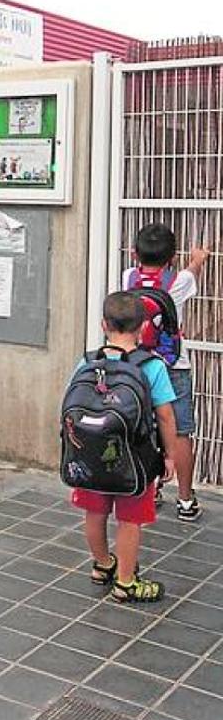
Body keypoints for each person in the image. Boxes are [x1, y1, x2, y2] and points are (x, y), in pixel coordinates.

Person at [70, 291, 177, 603]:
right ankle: (126, 582)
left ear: (104, 324)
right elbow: (166, 416)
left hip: (90, 455)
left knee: (94, 512)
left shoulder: (88, 361)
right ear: (143, 327)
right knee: (130, 520)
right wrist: (169, 455)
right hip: (136, 459)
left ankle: (103, 565)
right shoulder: (152, 366)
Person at [124, 223, 208, 522]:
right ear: (172, 257)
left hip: (138, 366)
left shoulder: (128, 278)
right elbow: (194, 268)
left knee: (143, 429)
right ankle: (185, 500)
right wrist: (197, 258)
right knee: (181, 431)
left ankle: (149, 490)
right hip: (174, 367)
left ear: (135, 253)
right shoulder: (180, 281)